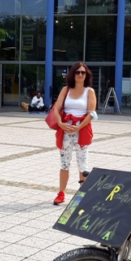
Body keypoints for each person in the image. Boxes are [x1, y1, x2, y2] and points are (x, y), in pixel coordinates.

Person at [53, 62, 96, 205]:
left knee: (83, 165)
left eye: (83, 72)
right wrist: (60, 122)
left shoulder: (89, 91)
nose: (80, 75)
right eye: (77, 72)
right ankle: (61, 193)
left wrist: (78, 128)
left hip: (81, 131)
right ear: (72, 74)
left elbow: (91, 113)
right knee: (64, 163)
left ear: (86, 75)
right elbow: (56, 108)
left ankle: (82, 194)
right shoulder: (66, 90)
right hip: (65, 131)